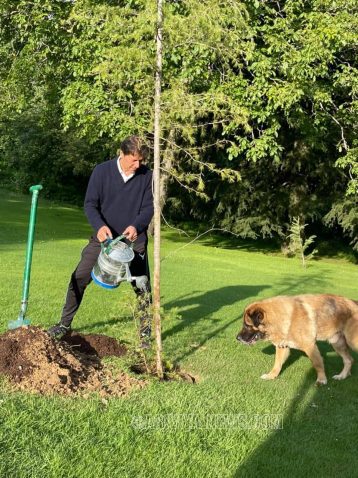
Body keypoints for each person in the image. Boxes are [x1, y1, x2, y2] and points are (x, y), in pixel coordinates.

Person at [47, 135, 154, 348]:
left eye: (141, 160)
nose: (138, 165)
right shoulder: (101, 171)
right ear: (121, 153)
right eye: (133, 160)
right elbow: (90, 204)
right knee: (78, 277)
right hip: (104, 239)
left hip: (133, 241)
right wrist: (100, 227)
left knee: (142, 286)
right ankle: (64, 325)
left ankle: (145, 335)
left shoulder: (147, 176)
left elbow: (148, 208)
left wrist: (136, 226)